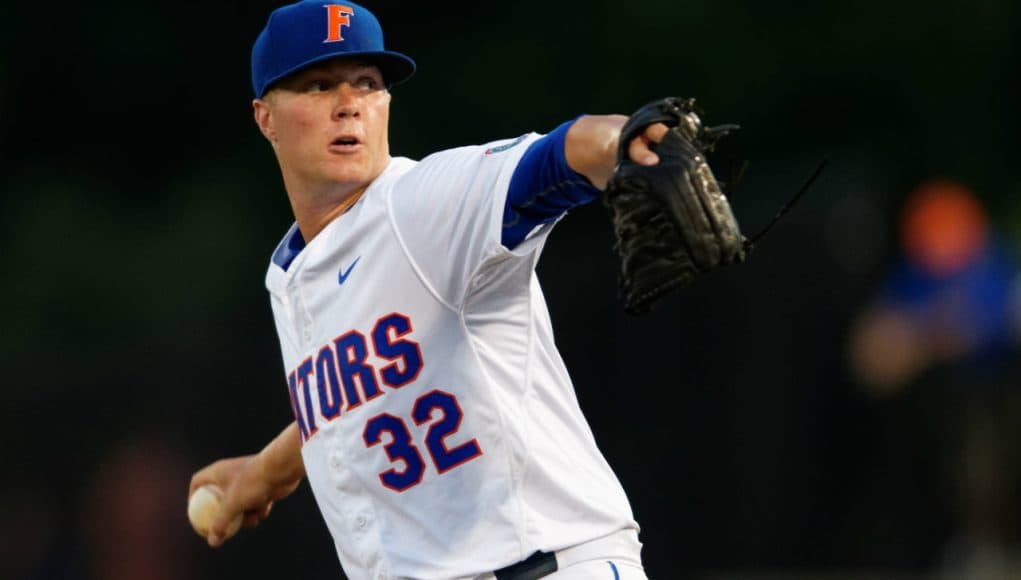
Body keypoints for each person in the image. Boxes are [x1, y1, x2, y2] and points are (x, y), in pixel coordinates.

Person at [189, 2, 668, 578]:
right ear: (266, 118)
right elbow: (364, 397)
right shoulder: (290, 274)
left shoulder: (420, 205)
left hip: (549, 563)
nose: (349, 105)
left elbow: (558, 156)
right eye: (318, 86)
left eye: (367, 84)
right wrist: (266, 470)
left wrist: (624, 145)